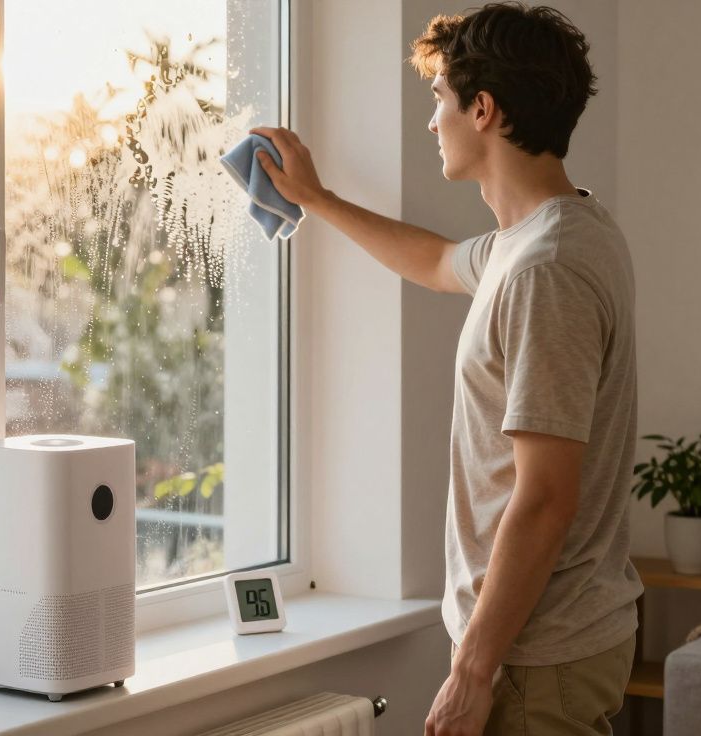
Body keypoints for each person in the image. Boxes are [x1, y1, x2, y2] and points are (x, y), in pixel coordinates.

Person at [248, 3, 642, 734]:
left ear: (483, 109)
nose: (432, 123)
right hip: (545, 643)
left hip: (534, 656)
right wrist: (316, 199)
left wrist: (472, 670)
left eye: (439, 101)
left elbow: (546, 499)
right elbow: (433, 261)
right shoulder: (560, 232)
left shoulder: (544, 270)